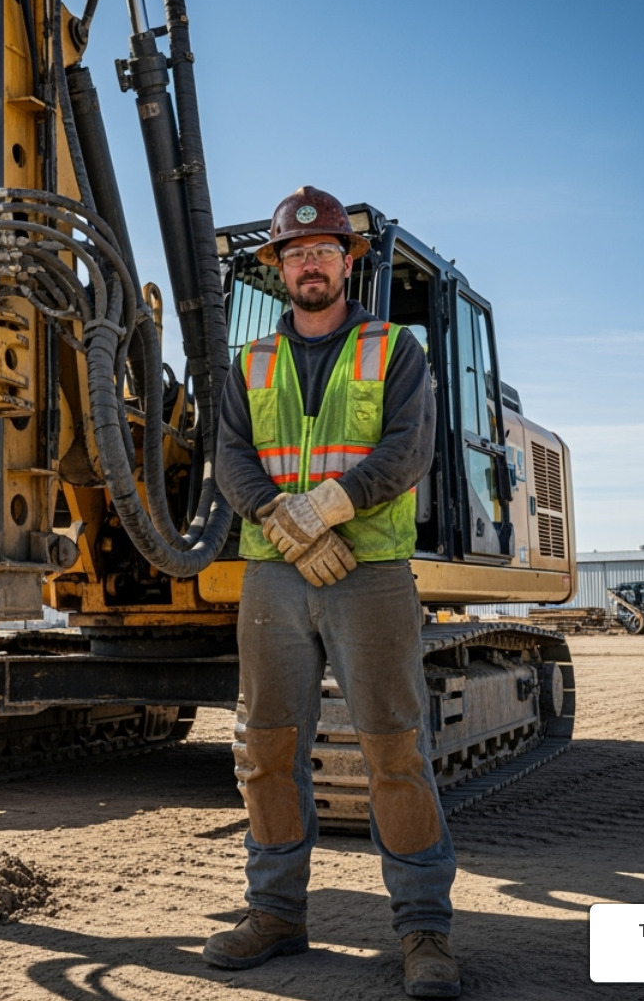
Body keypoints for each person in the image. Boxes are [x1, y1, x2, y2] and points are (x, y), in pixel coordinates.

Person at [204, 186, 460, 998]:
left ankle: (424, 929)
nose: (309, 264)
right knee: (267, 750)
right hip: (275, 575)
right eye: (294, 253)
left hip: (370, 571)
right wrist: (279, 516)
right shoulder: (251, 364)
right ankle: (276, 913)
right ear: (277, 269)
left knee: (393, 749)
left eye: (323, 250)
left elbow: (407, 449)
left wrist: (329, 507)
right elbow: (231, 456)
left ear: (347, 262)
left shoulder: (395, 350)